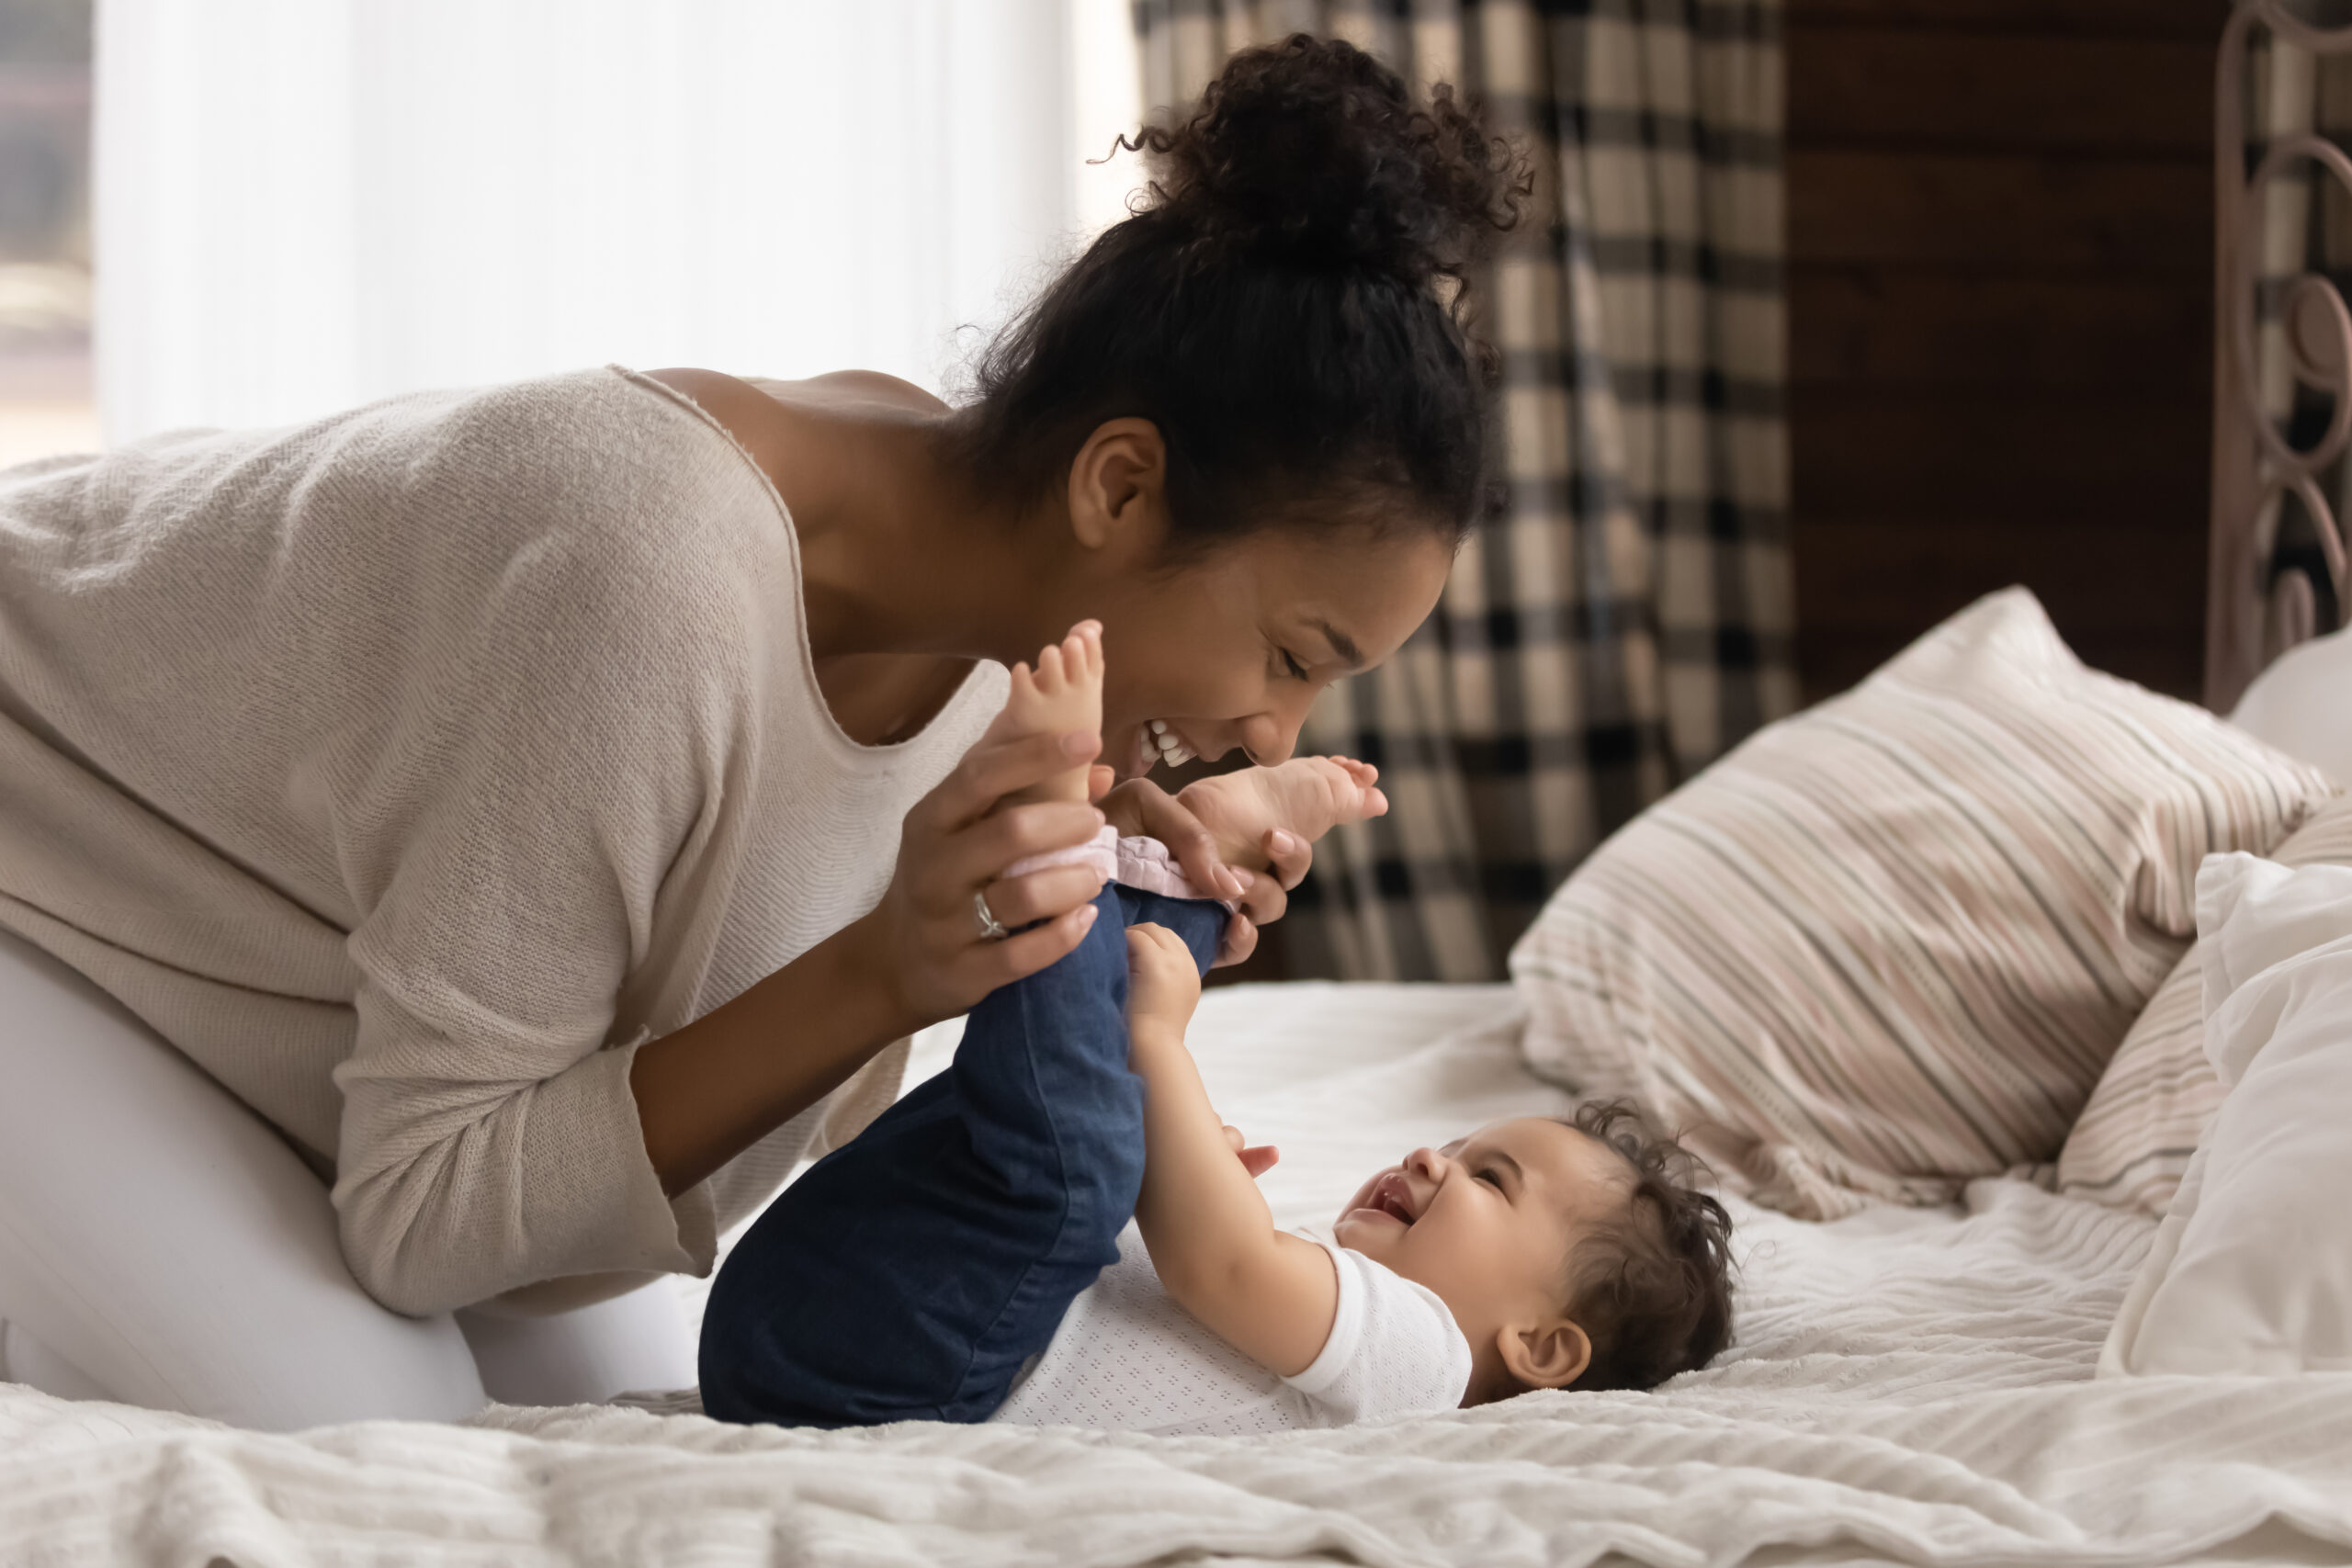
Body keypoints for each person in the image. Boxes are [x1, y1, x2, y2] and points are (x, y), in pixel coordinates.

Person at [0, 35, 1526, 1422]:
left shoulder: (990, 622)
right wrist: (885, 971)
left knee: (653, 1434)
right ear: (1118, 487)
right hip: (37, 865)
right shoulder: (643, 566)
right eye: (1289, 652)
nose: (1274, 728)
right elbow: (429, 1221)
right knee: (380, 1451)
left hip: (263, 986)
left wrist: (1089, 872)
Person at [700, 626, 1736, 1432]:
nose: (1432, 1154)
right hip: (856, 1327)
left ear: (1542, 1350)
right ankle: (1184, 872)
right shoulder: (1353, 1320)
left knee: (1086, 1142)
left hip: (899, 1366)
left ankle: (1056, 836)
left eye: (1488, 1179)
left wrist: (1161, 1050)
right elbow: (1200, 1264)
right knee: (1050, 1106)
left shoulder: (1425, 1358)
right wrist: (1181, 1139)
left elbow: (1218, 1267)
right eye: (1464, 1147)